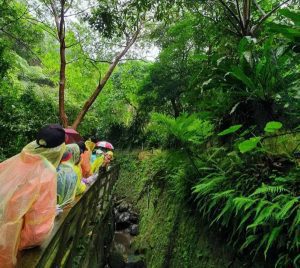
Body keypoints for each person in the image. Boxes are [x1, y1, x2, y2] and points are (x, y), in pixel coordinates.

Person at [0, 124, 66, 267]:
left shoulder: (14, 160)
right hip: (10, 248)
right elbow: (36, 233)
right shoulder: (47, 173)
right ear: (60, 149)